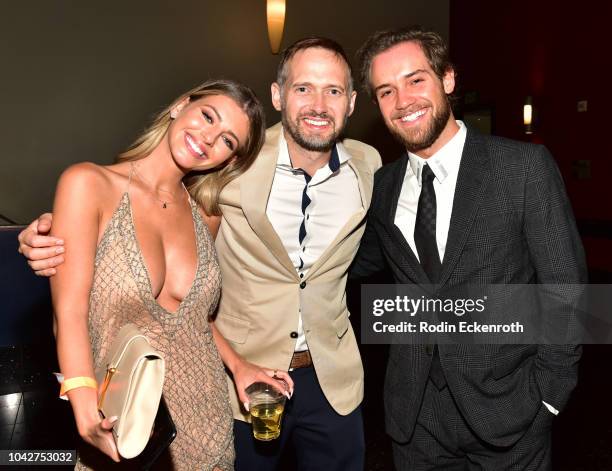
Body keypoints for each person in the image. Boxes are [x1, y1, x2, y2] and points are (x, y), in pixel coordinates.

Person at [19, 38, 382, 470]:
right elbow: (108, 239)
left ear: (353, 102)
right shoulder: (239, 169)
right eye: (303, 88)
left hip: (317, 383)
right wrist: (56, 227)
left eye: (334, 91)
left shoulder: (369, 165)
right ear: (279, 95)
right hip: (174, 402)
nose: (318, 104)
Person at [351, 27, 587, 470]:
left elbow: (567, 290)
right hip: (415, 416)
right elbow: (350, 265)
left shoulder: (522, 168)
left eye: (415, 80)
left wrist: (550, 396)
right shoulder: (382, 187)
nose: (402, 101)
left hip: (511, 408)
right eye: (386, 91)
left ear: (448, 79)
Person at [42, 78, 293, 470]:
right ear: (180, 105)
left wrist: (240, 365)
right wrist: (82, 400)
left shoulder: (207, 215)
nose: (209, 138)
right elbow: (68, 312)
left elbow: (195, 318)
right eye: (208, 116)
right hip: (123, 421)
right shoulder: (88, 185)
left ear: (229, 160)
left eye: (228, 141)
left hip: (207, 421)